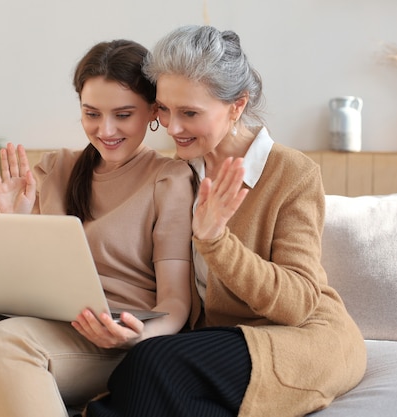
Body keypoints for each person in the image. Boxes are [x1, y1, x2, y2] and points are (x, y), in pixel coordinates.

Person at [83, 25, 367, 417]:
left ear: (236, 106)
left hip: (301, 340)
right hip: (213, 342)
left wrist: (217, 241)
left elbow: (299, 303)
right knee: (141, 388)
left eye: (190, 113)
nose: (172, 126)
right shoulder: (178, 174)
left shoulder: (290, 173)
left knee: (152, 364)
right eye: (164, 109)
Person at [0, 39, 195, 417]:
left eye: (123, 115)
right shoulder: (56, 169)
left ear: (153, 111)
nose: (105, 129)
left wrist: (136, 339)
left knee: (5, 342)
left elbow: (175, 301)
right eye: (91, 113)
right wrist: (13, 221)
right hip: (45, 321)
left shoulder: (168, 179)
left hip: (112, 338)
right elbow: (21, 280)